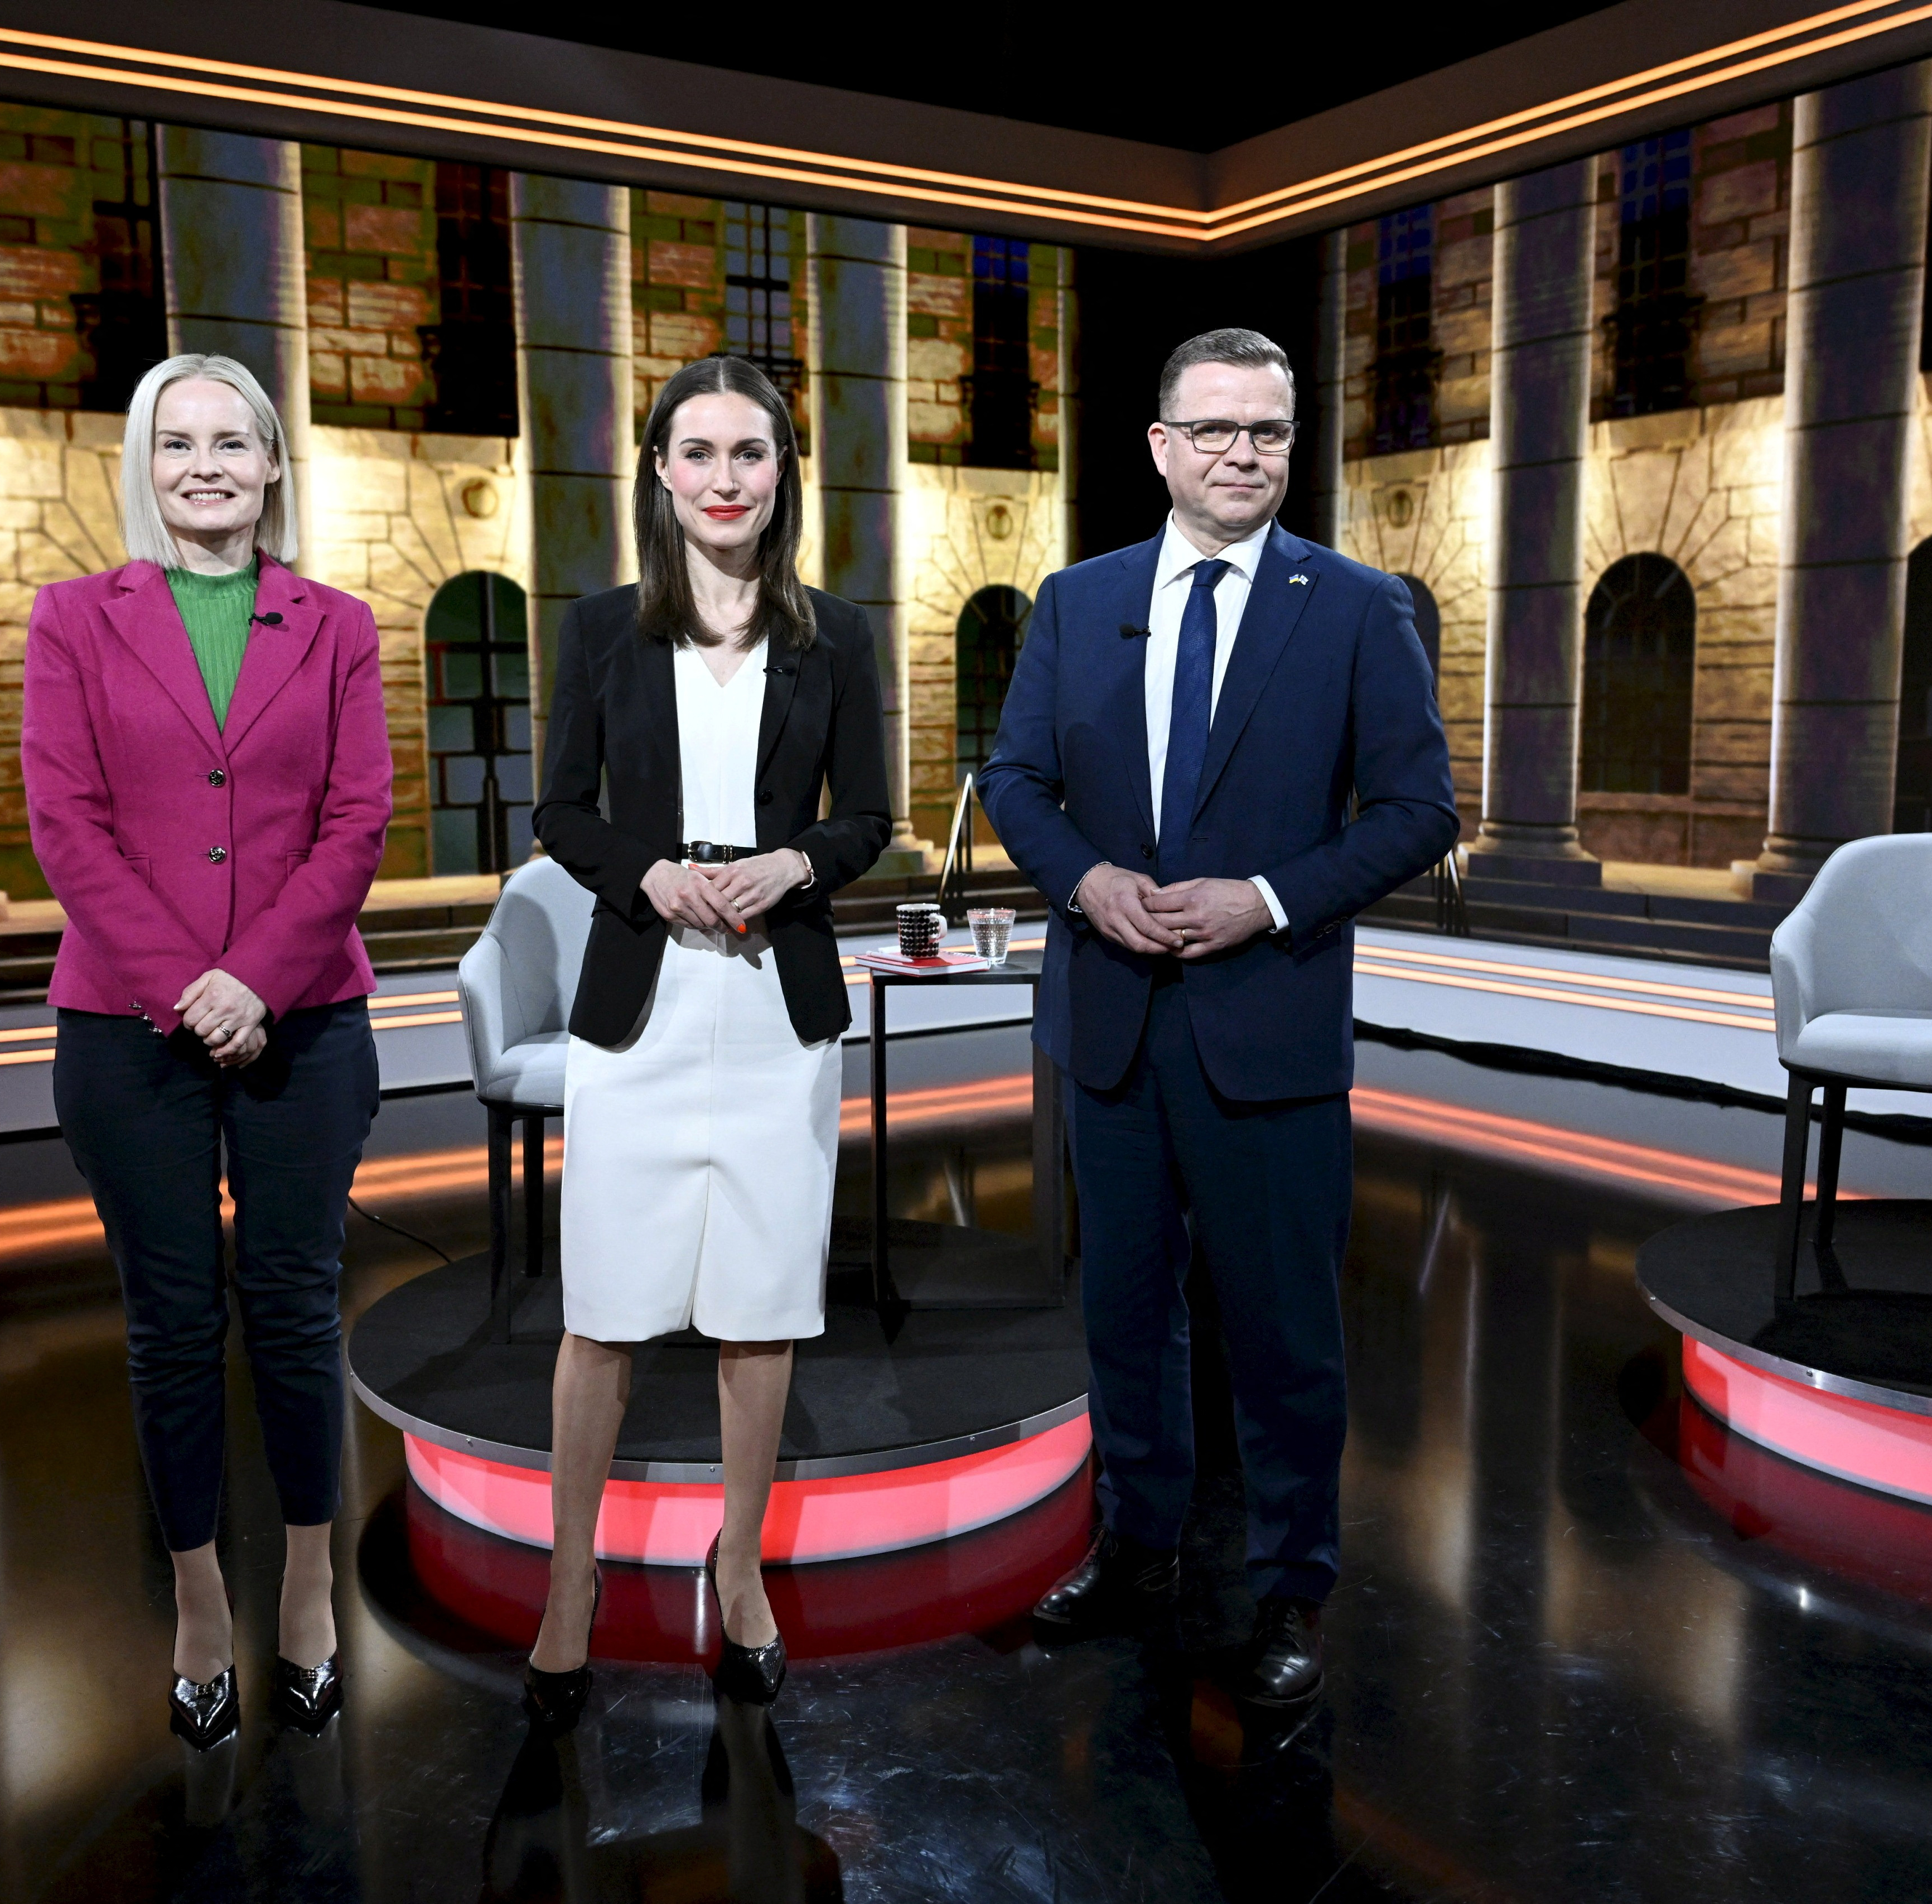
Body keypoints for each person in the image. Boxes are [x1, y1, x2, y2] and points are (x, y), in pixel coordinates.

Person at [979, 327, 1456, 1707]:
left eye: (1269, 432)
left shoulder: (1358, 606)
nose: (1244, 453)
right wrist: (1085, 882)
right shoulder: (1076, 601)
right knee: (1126, 1319)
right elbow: (1014, 779)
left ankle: (1291, 1587)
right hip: (1112, 1020)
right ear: (1162, 448)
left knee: (1283, 1333)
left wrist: (1267, 897)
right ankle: (1136, 1551)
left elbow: (1420, 811)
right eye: (1218, 430)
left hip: (1270, 1027)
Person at [22, 353, 393, 1750]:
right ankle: (195, 1603)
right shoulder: (73, 620)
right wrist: (195, 987)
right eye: (178, 444)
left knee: (296, 1312)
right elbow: (67, 825)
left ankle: (306, 1587)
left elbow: (358, 823)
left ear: (273, 462)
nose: (206, 467)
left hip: (308, 1019)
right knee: (172, 1323)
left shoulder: (338, 623)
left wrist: (261, 980)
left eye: (232, 442)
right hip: (128, 1029)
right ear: (145, 463)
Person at [525, 354, 892, 1722]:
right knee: (602, 1316)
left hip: (775, 1012)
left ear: (783, 471)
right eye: (700, 454)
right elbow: (561, 812)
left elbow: (869, 818)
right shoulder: (603, 630)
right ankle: (572, 1582)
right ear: (661, 473)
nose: (726, 479)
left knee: (760, 1311)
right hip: (642, 1010)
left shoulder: (837, 636)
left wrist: (792, 868)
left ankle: (738, 1569)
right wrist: (651, 875)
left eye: (751, 454)